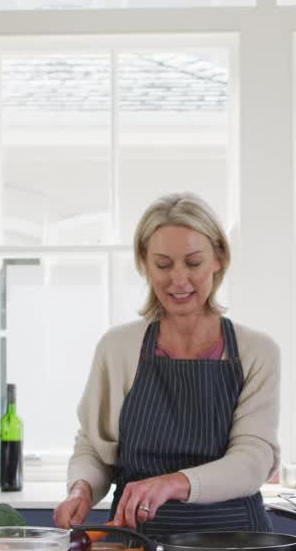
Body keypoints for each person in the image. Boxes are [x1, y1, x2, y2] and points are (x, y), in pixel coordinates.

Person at [53, 192, 281, 533]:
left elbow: (252, 461)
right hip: (136, 548)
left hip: (236, 546)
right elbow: (95, 449)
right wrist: (81, 488)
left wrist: (172, 483)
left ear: (218, 259)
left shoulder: (256, 351)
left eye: (193, 263)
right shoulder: (118, 348)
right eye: (162, 265)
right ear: (144, 263)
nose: (178, 280)